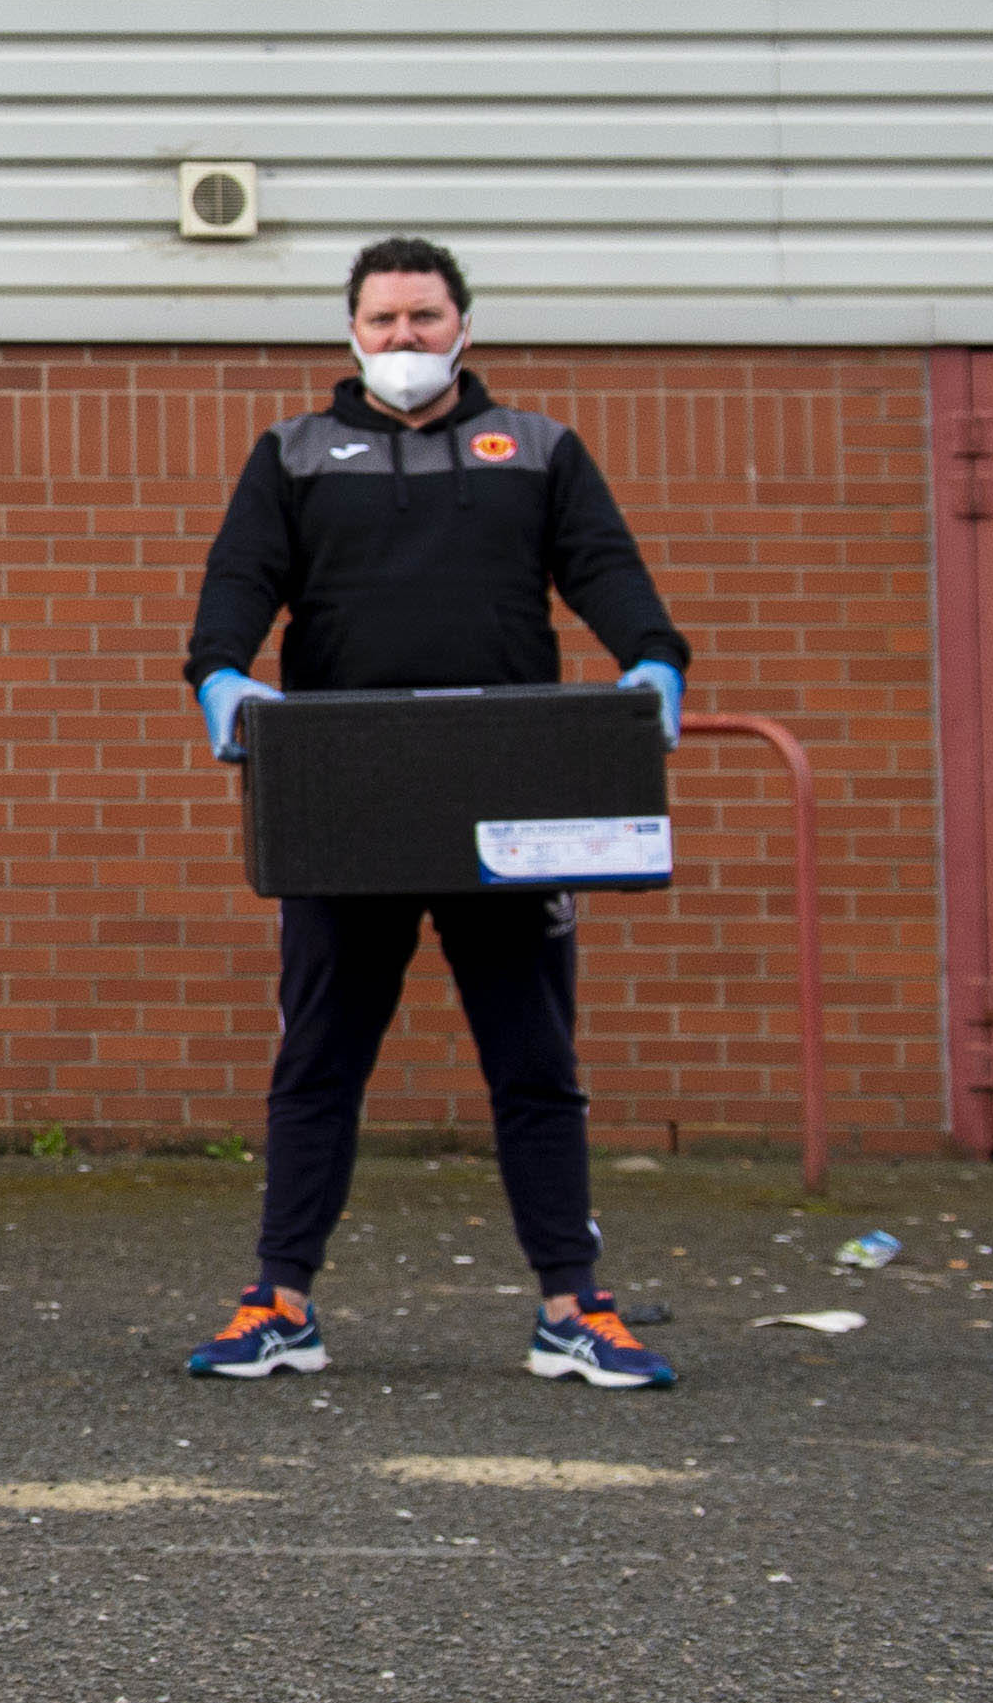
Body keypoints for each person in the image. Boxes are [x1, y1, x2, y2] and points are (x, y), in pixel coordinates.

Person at [180, 235, 691, 1390]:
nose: (401, 340)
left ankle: (571, 1309)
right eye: (380, 320)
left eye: (421, 317)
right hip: (342, 794)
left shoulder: (539, 451)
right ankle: (278, 1303)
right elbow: (235, 582)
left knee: (533, 1061)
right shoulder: (293, 455)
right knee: (316, 1061)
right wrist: (217, 673)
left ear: (462, 323)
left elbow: (603, 567)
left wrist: (652, 658)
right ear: (347, 331)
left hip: (503, 792)